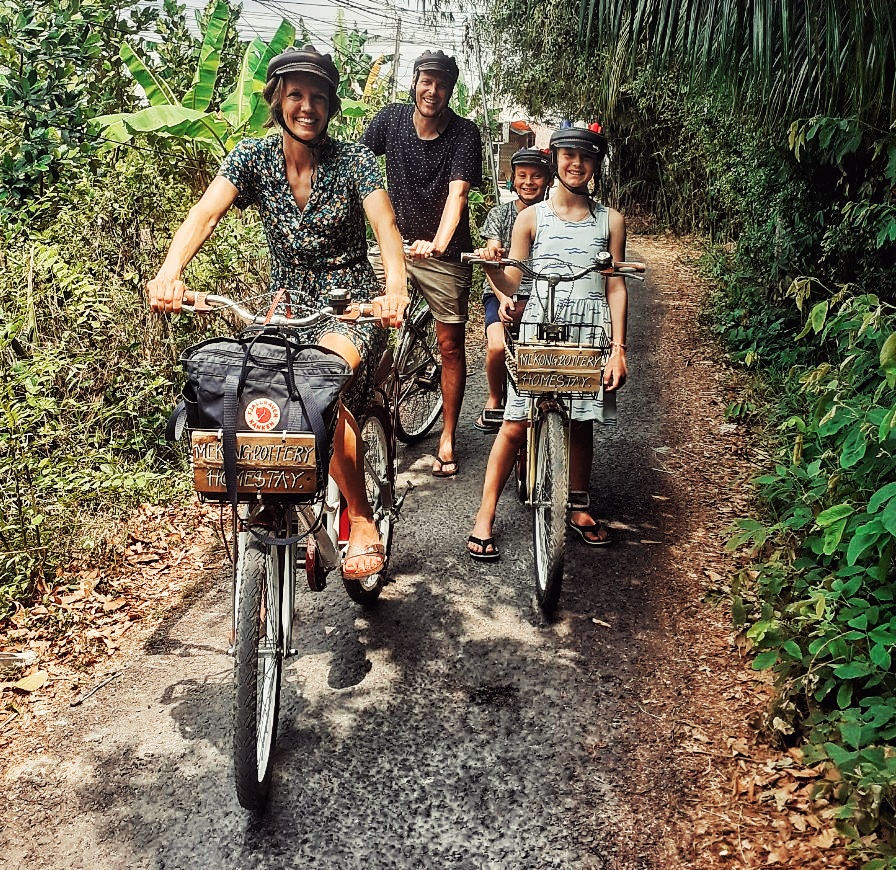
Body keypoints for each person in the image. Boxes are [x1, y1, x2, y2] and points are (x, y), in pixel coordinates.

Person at [146, 44, 409, 580]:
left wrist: (395, 290)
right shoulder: (251, 157)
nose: (306, 106)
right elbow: (204, 213)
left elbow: (386, 228)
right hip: (285, 304)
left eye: (317, 97)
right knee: (254, 392)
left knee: (316, 385)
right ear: (277, 100)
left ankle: (359, 518)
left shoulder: (355, 161)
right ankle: (273, 497)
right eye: (295, 95)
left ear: (331, 107)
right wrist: (170, 271)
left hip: (351, 306)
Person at [466, 123, 629, 560]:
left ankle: (577, 505)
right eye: (568, 155)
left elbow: (615, 285)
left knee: (581, 420)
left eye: (586, 157)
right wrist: (492, 267)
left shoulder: (610, 220)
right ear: (556, 158)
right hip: (539, 325)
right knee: (516, 423)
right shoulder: (529, 218)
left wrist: (618, 349)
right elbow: (514, 280)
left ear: (596, 165)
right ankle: (485, 514)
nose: (576, 164)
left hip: (590, 329)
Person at [361, 50, 482, 478]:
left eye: (442, 83)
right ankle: (371, 420)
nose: (433, 91)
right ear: (414, 82)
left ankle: (447, 434)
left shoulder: (465, 133)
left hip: (442, 254)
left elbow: (458, 194)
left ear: (451, 89)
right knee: (367, 328)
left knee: (450, 344)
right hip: (393, 244)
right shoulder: (390, 120)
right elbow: (356, 167)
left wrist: (438, 242)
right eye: (426, 81)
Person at [475, 147, 553, 432]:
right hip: (501, 289)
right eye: (522, 176)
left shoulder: (552, 215)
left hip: (542, 294)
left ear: (548, 180)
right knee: (497, 346)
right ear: (513, 179)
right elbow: (492, 246)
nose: (528, 182)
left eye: (536, 176)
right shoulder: (500, 214)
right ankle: (495, 398)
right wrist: (491, 254)